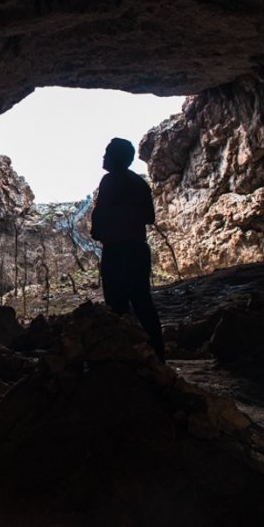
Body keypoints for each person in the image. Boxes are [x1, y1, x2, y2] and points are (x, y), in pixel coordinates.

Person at [90, 137, 165, 362]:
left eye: (107, 153)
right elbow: (149, 217)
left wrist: (111, 223)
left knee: (116, 305)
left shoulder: (110, 181)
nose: (103, 157)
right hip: (136, 250)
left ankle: (123, 359)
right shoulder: (138, 183)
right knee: (142, 303)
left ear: (117, 157)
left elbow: (102, 215)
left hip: (118, 251)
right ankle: (157, 356)